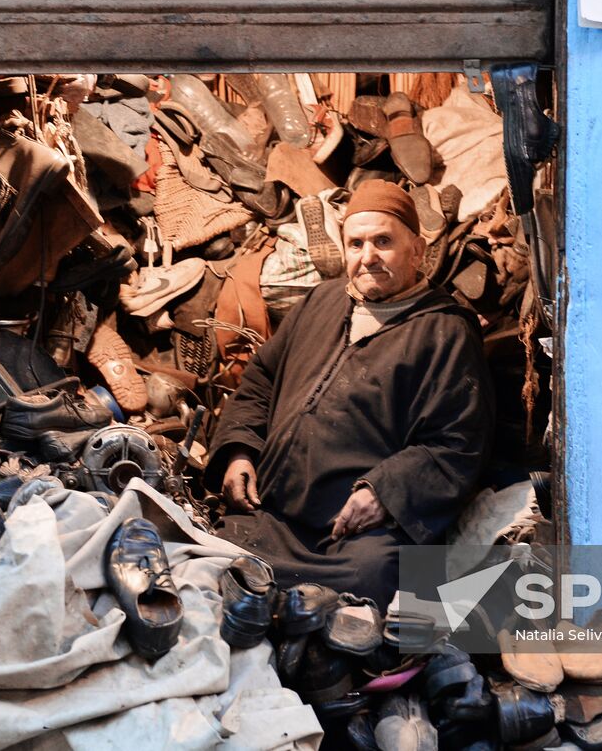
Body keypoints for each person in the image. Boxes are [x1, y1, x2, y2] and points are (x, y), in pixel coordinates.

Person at [204, 180, 492, 608]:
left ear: (417, 250)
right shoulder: (322, 300)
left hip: (353, 531)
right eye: (355, 244)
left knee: (372, 578)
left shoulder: (446, 331)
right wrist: (239, 450)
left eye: (383, 242)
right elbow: (261, 378)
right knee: (210, 554)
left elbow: (457, 443)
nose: (368, 257)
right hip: (274, 515)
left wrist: (382, 492)